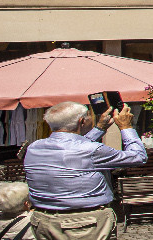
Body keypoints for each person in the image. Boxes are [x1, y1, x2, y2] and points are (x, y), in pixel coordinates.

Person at [22, 101, 146, 240]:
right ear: (81, 121)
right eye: (88, 116)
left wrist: (99, 128)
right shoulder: (91, 150)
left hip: (44, 220)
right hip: (84, 224)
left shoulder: (34, 148)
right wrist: (126, 127)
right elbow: (138, 157)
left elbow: (73, 148)